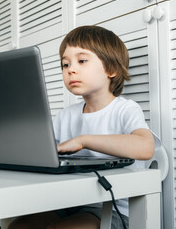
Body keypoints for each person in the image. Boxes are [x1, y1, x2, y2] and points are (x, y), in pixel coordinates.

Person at [8, 25, 157, 229]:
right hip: (71, 201)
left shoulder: (125, 109)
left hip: (112, 208)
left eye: (82, 61)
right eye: (65, 64)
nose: (71, 69)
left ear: (111, 69)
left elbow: (145, 147)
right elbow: (41, 150)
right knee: (19, 226)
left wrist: (84, 140)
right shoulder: (66, 115)